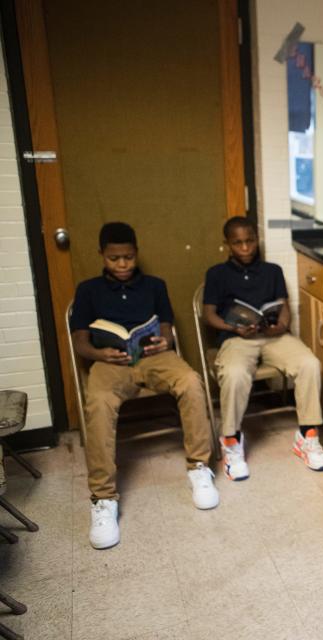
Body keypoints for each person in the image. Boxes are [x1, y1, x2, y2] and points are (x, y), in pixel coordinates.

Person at [70, 222, 218, 550]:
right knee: (98, 402)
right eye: (114, 259)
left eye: (128, 257)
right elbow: (80, 341)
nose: (122, 264)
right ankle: (103, 498)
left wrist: (160, 343)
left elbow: (166, 330)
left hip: (152, 356)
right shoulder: (87, 290)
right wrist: (99, 352)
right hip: (110, 361)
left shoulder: (154, 285)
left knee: (191, 382)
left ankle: (199, 467)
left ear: (136, 254)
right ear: (102, 256)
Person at [202, 216, 323, 479]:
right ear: (227, 244)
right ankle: (231, 442)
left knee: (309, 364)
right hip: (236, 338)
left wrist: (281, 325)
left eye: (249, 241)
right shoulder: (216, 274)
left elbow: (282, 306)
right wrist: (232, 328)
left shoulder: (272, 270)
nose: (245, 248)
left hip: (273, 335)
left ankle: (307, 436)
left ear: (256, 239)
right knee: (235, 373)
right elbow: (209, 315)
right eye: (238, 243)